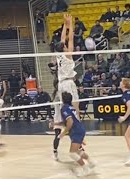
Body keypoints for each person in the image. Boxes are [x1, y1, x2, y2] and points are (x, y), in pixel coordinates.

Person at [50, 14, 80, 161]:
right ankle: (78, 140)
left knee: (63, 112)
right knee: (75, 111)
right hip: (68, 83)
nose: (67, 44)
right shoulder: (68, 54)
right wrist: (70, 25)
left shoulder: (58, 55)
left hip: (61, 84)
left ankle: (56, 145)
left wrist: (64, 24)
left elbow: (62, 40)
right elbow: (71, 38)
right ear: (64, 48)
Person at [59, 92, 95, 176]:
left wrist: (63, 133)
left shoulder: (64, 108)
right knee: (78, 151)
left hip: (76, 131)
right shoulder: (72, 107)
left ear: (63, 100)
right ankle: (91, 162)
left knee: (72, 153)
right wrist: (55, 124)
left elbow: (70, 122)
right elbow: (68, 121)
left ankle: (86, 169)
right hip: (79, 129)